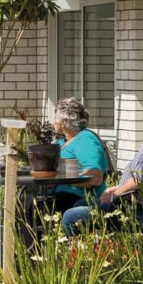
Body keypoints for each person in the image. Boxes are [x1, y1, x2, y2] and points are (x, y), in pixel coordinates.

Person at [62, 82, 143, 236]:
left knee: (71, 217)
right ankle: (100, 253)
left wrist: (116, 194)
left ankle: (85, 258)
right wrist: (117, 189)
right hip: (142, 206)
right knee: (81, 204)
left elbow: (142, 177)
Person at [19, 98, 109, 247]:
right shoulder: (61, 142)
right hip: (56, 192)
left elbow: (95, 176)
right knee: (25, 204)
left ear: (65, 120)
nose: (53, 119)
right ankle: (30, 253)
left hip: (77, 196)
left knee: (29, 207)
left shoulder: (85, 138)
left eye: (55, 116)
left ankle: (34, 256)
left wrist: (65, 178)